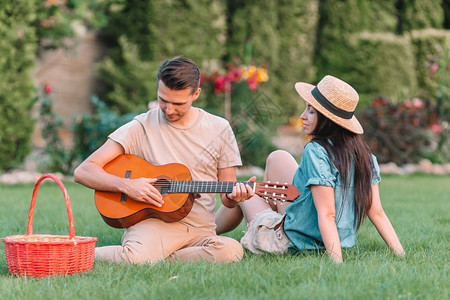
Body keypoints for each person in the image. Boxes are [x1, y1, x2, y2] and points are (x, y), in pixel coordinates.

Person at [74, 56, 255, 264]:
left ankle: (158, 257)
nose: (168, 110)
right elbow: (84, 171)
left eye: (178, 103)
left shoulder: (220, 129)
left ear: (196, 94)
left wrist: (235, 197)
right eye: (163, 100)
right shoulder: (140, 126)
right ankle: (78, 253)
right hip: (153, 224)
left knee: (231, 251)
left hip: (199, 230)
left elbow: (227, 198)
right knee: (135, 260)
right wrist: (128, 186)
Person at [215, 75, 405, 263]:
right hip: (320, 233)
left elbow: (327, 214)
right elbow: (377, 212)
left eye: (311, 111)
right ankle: (269, 212)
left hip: (290, 242)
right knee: (277, 157)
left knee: (241, 190)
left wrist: (337, 264)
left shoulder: (317, 151)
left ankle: (204, 232)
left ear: (328, 120)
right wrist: (401, 254)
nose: (302, 116)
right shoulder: (366, 156)